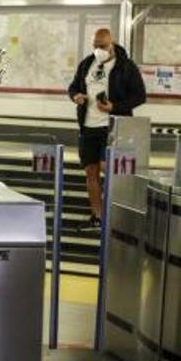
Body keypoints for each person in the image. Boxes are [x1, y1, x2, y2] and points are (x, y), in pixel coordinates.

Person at [67, 28, 146, 228]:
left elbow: (140, 96)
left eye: (102, 46)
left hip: (112, 127)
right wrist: (77, 96)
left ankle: (117, 214)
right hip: (88, 126)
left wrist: (115, 107)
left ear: (112, 44)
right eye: (95, 46)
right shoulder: (87, 64)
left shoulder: (126, 66)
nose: (98, 50)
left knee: (107, 168)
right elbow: (73, 87)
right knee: (90, 171)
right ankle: (98, 216)